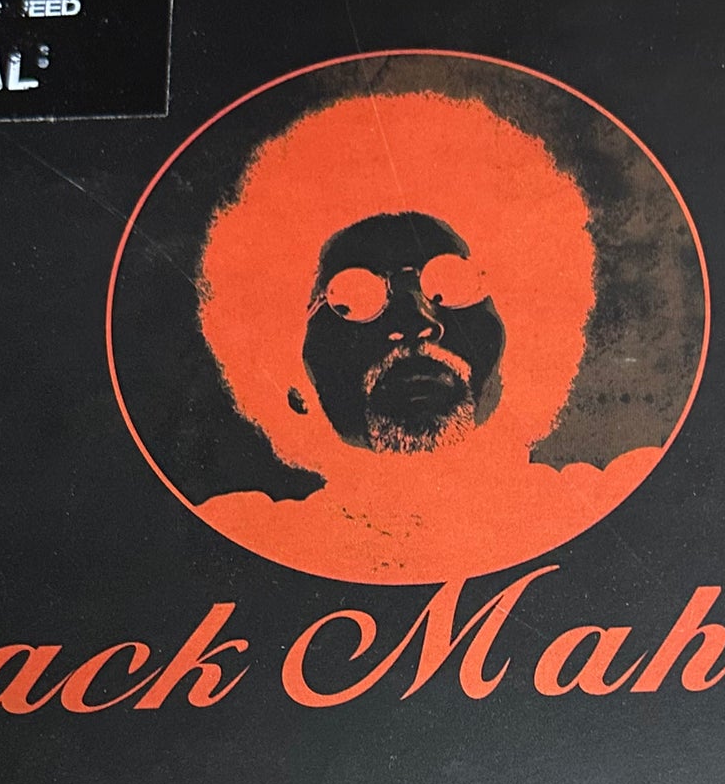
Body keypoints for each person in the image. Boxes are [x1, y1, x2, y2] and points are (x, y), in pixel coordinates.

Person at [193, 90, 663, 583]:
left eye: (451, 285)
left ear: (521, 332)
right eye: (352, 297)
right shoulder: (240, 545)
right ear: (290, 377)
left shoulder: (616, 513)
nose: (417, 323)